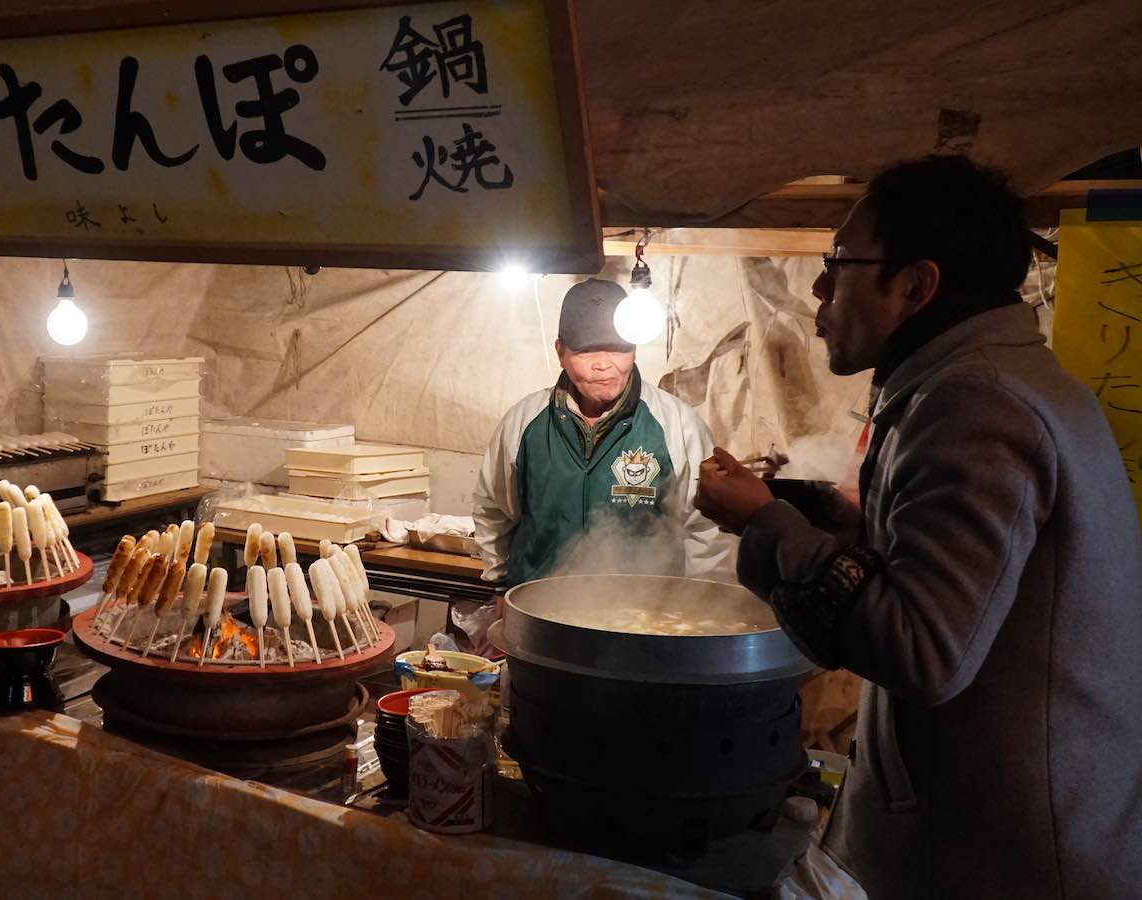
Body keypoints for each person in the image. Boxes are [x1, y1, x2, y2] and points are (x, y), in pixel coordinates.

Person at [695, 155, 1142, 900]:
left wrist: (767, 524)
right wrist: (833, 518)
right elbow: (967, 578)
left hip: (1013, 856)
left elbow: (925, 648)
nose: (819, 287)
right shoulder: (983, 381)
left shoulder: (979, 402)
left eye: (839, 262)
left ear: (915, 284)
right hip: (1006, 836)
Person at [473, 278, 731, 602]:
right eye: (585, 350)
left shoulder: (678, 426)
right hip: (538, 609)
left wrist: (698, 607)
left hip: (645, 616)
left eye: (619, 347)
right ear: (561, 352)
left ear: (634, 347)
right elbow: (493, 508)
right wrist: (499, 585)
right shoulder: (523, 423)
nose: (604, 364)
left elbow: (706, 529)